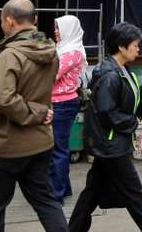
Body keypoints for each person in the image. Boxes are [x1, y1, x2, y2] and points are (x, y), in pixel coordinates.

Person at [0, 0, 68, 231]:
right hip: (40, 142)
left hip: (5, 146)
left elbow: (4, 97)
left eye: (1, 22)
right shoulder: (50, 51)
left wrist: (36, 112)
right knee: (47, 203)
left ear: (9, 21)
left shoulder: (11, 54)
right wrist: (40, 112)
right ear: (34, 20)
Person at [69, 22, 142, 231]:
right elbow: (106, 112)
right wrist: (131, 122)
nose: (138, 49)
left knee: (91, 193)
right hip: (111, 144)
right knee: (135, 195)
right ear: (121, 47)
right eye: (135, 45)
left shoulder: (120, 69)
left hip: (111, 142)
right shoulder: (111, 74)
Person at [49, 15, 86, 204]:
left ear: (68, 30)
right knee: (59, 147)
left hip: (62, 104)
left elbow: (52, 74)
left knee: (57, 148)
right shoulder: (64, 49)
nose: (55, 31)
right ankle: (64, 187)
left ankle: (57, 195)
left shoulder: (72, 52)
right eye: (55, 28)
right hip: (60, 103)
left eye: (59, 28)